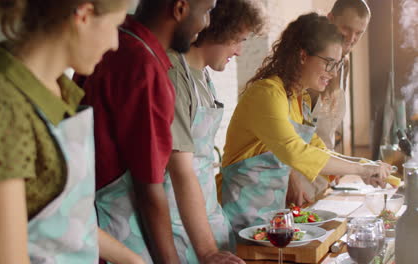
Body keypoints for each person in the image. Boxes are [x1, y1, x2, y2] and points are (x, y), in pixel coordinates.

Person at [0, 0, 144, 264]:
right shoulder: (1, 108)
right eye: (115, 27)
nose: (114, 43)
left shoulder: (56, 90)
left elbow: (66, 221)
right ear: (84, 16)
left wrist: (134, 260)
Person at [220, 12, 392, 233]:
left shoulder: (299, 99)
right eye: (329, 63)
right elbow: (296, 151)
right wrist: (361, 169)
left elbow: (317, 147)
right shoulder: (267, 93)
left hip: (268, 220)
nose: (332, 73)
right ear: (302, 56)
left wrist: (365, 165)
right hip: (238, 218)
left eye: (337, 65)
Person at [73, 0, 216, 263]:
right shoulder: (143, 66)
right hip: (118, 233)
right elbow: (149, 188)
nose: (207, 23)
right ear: (180, 8)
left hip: (88, 229)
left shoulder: (117, 43)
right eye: (206, 11)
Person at [166, 0, 265, 262]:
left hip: (207, 217)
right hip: (178, 224)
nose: (240, 51)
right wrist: (207, 250)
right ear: (218, 30)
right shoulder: (174, 73)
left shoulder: (204, 77)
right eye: (238, 41)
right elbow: (180, 170)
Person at [300, 0, 372, 201]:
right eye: (346, 29)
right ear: (330, 19)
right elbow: (288, 135)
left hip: (323, 180)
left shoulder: (344, 66)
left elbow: (326, 129)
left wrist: (338, 168)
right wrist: (291, 181)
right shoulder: (308, 63)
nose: (351, 38)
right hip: (295, 182)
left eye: (359, 33)